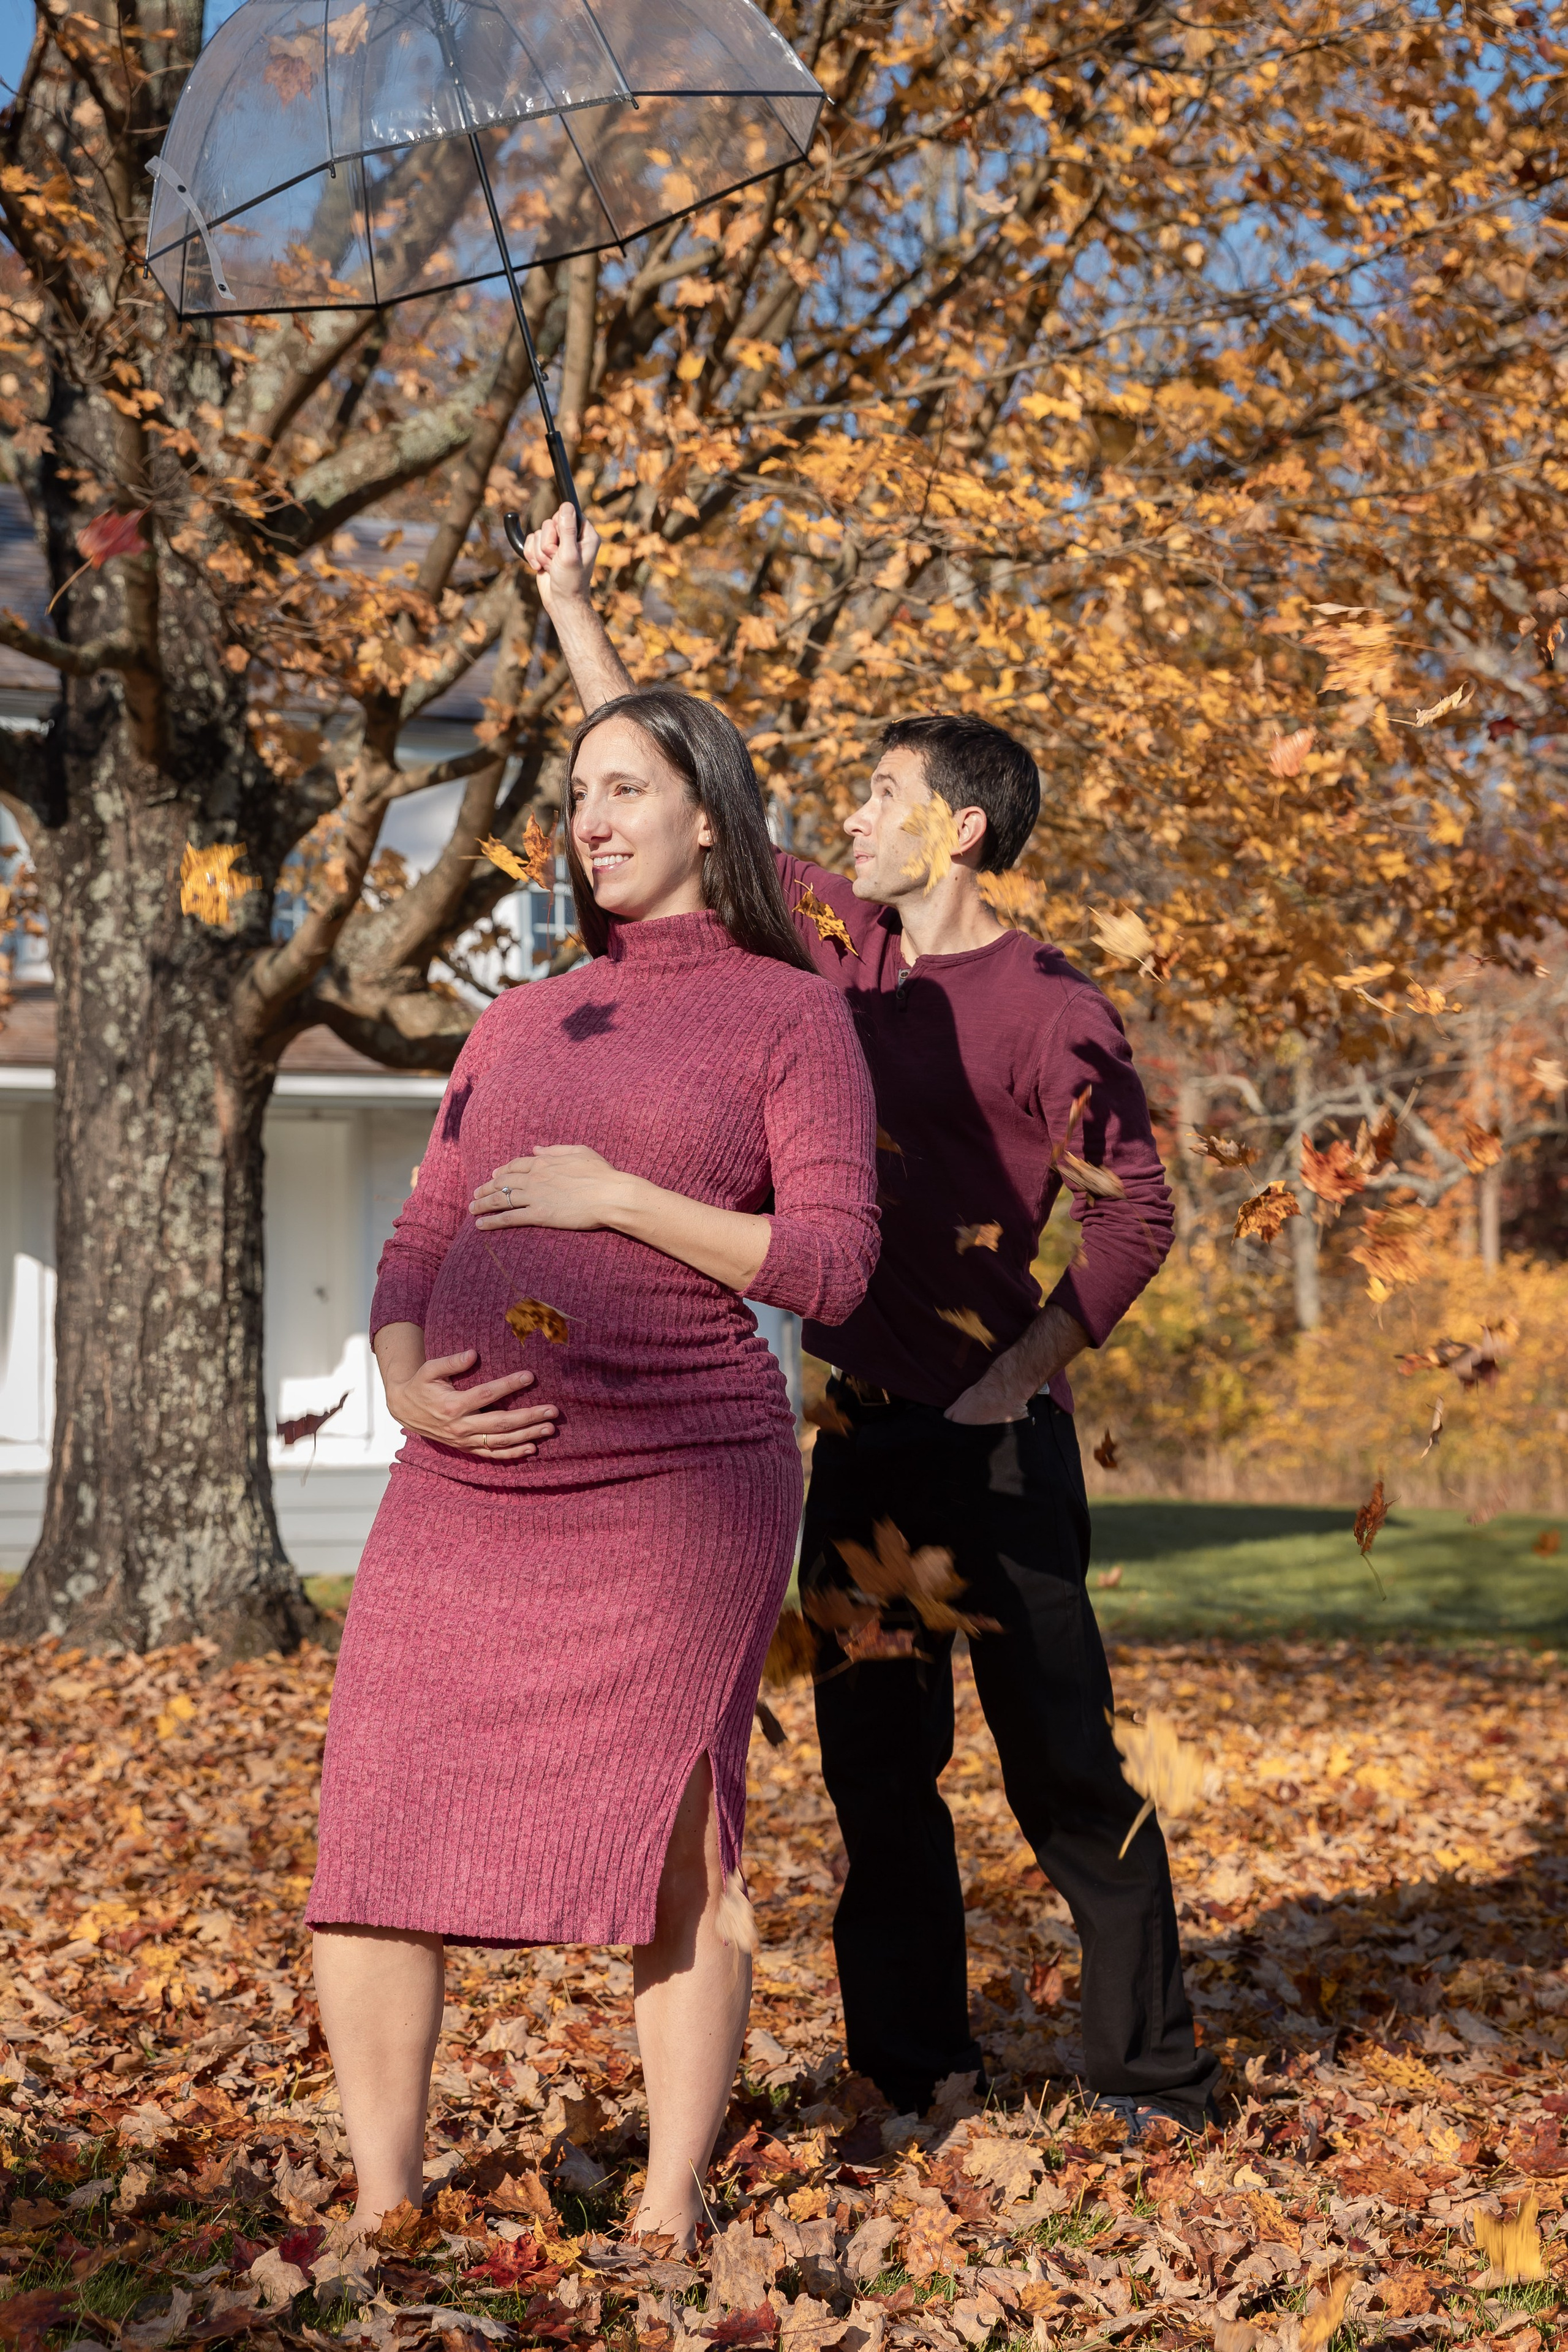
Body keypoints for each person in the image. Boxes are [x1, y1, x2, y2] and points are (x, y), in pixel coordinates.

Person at [520, 506, 1221, 2137]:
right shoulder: (842, 954)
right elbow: (698, 798)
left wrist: (1022, 1377)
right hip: (855, 1451)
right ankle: (914, 2078)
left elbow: (1143, 1210)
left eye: (886, 794)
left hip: (998, 1461)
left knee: (1068, 1782)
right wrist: (569, 605)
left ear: (958, 829)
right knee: (877, 1790)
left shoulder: (1054, 1010)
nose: (856, 815)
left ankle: (1153, 2079)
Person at [306, 688, 880, 2247]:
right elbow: (426, 1229)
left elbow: (831, 1264)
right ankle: (383, 2203)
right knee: (374, 1822)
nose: (591, 818)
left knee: (681, 1838)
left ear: (711, 816)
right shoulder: (514, 1018)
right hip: (464, 1480)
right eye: (576, 793)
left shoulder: (791, 1011)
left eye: (625, 787)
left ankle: (670, 2203)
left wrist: (621, 1196)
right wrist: (404, 1374)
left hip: (681, 1484)